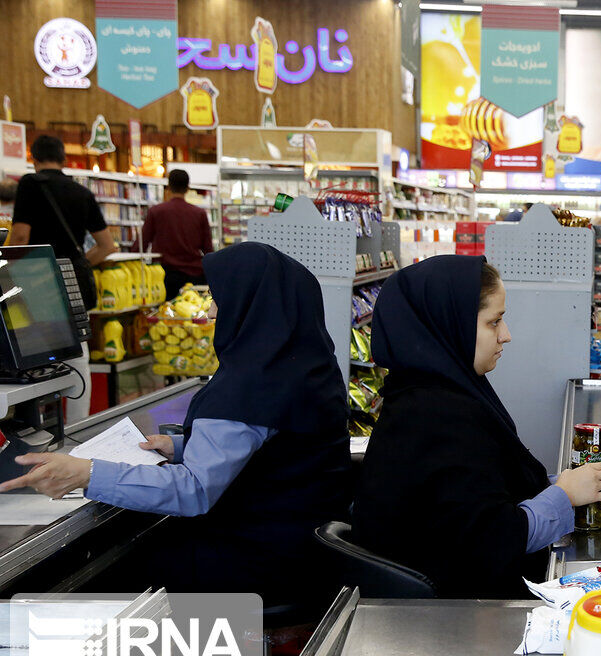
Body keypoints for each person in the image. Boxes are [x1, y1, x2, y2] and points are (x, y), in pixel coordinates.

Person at [0, 242, 351, 607]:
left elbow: (193, 491)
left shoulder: (251, 384)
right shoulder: (306, 362)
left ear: (251, 303)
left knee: (98, 578)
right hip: (303, 547)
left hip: (258, 560)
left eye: (218, 298)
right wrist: (185, 446)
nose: (212, 311)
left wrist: (87, 473)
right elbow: (281, 445)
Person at [350, 255, 601, 598]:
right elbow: (492, 541)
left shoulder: (429, 392)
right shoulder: (438, 417)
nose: (505, 336)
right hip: (449, 617)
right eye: (494, 322)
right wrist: (563, 496)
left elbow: (477, 495)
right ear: (452, 324)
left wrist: (558, 485)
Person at [6, 135, 117, 422]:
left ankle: (33, 424)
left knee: (29, 353)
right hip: (73, 285)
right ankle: (79, 426)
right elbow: (107, 245)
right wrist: (69, 267)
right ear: (64, 159)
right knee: (77, 352)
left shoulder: (30, 184)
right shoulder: (81, 191)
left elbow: (20, 235)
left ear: (34, 158)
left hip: (34, 286)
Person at [142, 168, 214, 300]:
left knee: (164, 316)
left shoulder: (155, 212)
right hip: (195, 275)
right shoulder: (199, 214)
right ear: (188, 188)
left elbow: (142, 243)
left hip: (165, 276)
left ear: (168, 188)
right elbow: (208, 249)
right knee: (194, 313)